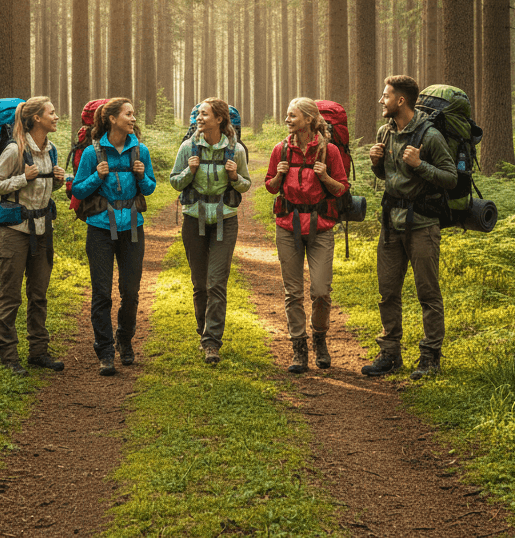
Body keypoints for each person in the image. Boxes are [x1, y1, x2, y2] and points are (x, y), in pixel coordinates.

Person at [362, 74, 457, 381]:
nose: (381, 101)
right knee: (387, 291)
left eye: (386, 96)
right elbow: (388, 176)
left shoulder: (429, 136)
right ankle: (389, 354)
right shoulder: (385, 131)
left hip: (423, 226)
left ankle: (430, 357)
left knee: (427, 293)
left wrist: (420, 165)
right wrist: (376, 163)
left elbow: (450, 178)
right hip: (391, 224)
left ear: (400, 100)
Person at [71, 96, 156, 375]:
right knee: (102, 293)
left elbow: (150, 188)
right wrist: (97, 175)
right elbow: (78, 191)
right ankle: (105, 350)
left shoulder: (140, 150)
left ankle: (124, 339)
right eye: (128, 114)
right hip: (99, 228)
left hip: (132, 224)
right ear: (111, 119)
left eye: (133, 114)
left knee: (130, 291)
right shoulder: (92, 154)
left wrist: (142, 177)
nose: (133, 119)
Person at [265, 97, 349, 373]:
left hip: (321, 227)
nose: (287, 120)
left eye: (292, 116)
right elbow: (270, 187)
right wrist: (278, 176)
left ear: (309, 120)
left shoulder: (331, 151)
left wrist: (324, 177)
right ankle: (299, 348)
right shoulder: (281, 149)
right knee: (293, 292)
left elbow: (341, 189)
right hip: (287, 226)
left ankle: (320, 338)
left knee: (321, 291)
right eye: (288, 116)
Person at [0, 97, 66, 377]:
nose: (56, 117)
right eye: (51, 113)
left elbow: (44, 191)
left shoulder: (51, 150)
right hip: (15, 233)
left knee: (38, 294)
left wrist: (56, 181)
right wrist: (23, 178)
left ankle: (38, 352)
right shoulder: (14, 150)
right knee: (10, 296)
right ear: (36, 119)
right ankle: (8, 355)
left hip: (43, 230)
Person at [170, 98, 251, 365]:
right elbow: (174, 182)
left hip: (225, 221)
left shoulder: (235, 150)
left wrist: (234, 177)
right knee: (200, 284)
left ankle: (211, 342)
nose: (198, 118)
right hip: (194, 220)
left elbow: (246, 185)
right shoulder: (188, 147)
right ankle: (202, 328)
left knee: (217, 282)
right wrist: (190, 171)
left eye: (204, 114)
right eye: (198, 115)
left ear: (219, 119)